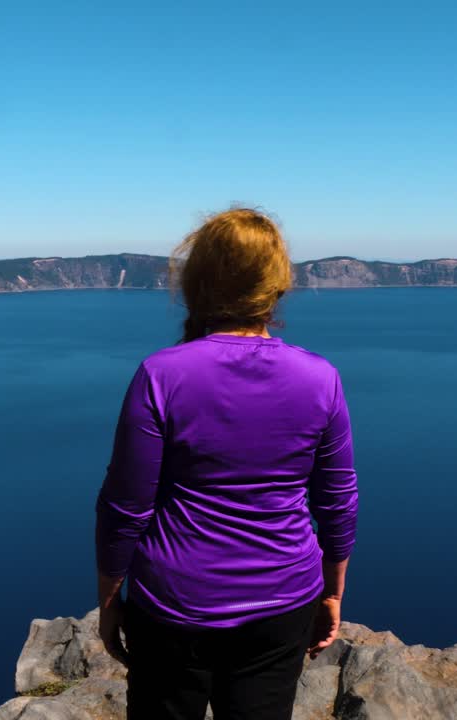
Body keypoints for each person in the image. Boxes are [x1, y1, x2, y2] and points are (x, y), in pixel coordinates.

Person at [94, 207, 360, 720]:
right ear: (277, 284)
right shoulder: (319, 378)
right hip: (283, 602)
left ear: (198, 281)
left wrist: (109, 600)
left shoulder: (161, 375)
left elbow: (126, 505)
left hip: (173, 605)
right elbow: (337, 501)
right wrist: (332, 591)